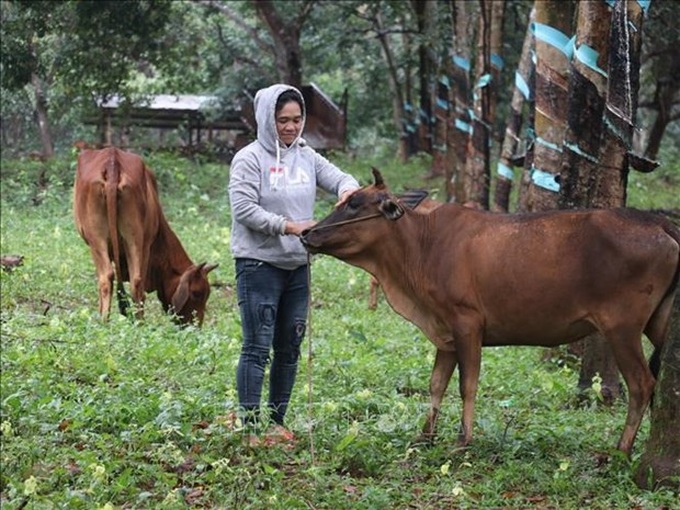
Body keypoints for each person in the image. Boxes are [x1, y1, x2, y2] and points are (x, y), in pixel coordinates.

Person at [228, 83, 360, 445]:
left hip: (297, 267)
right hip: (258, 265)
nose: (290, 127)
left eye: (297, 119)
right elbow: (243, 209)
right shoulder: (249, 158)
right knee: (257, 345)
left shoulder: (306, 155)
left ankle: (276, 422)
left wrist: (348, 192)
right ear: (267, 118)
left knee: (289, 346)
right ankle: (250, 426)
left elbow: (343, 179)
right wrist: (289, 226)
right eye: (283, 120)